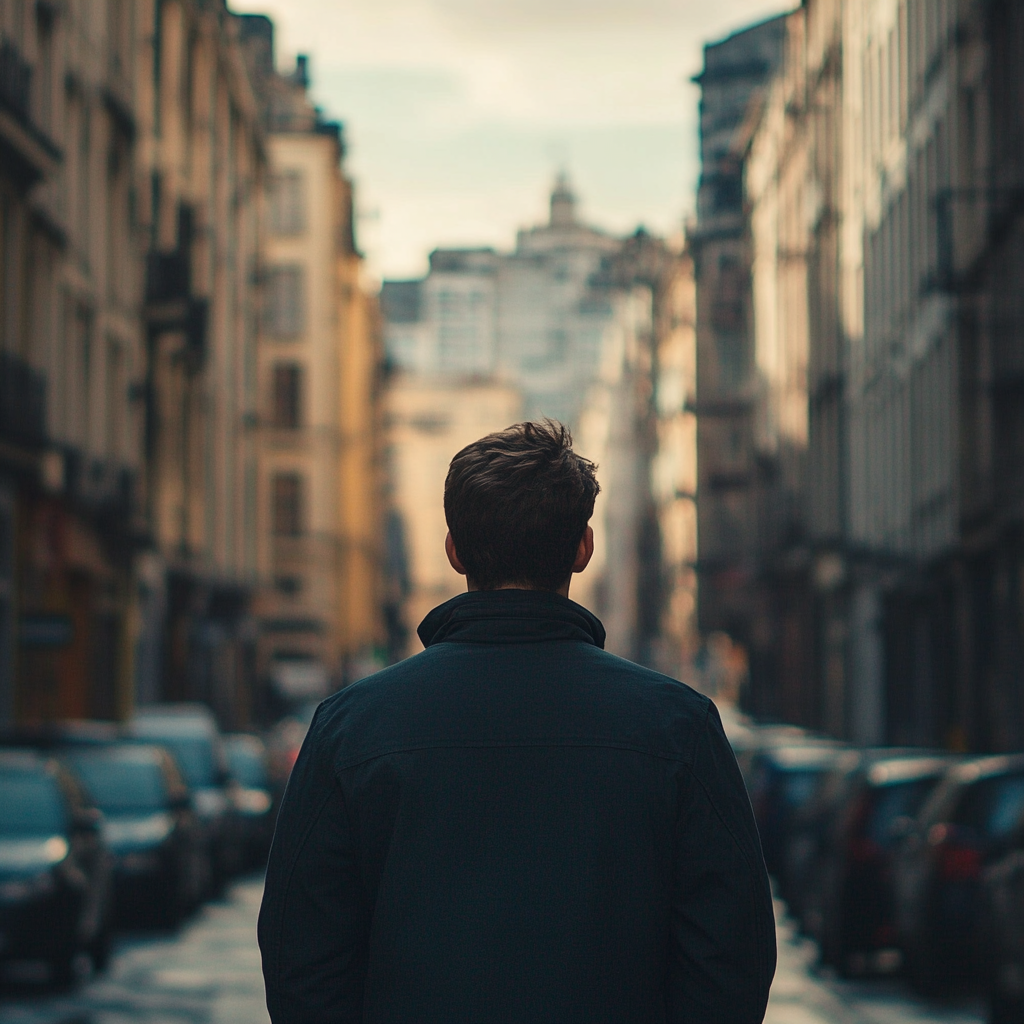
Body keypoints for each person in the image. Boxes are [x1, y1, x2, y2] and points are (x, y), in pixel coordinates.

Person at [259, 420, 776, 1023]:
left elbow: (301, 960)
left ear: (453, 550)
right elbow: (732, 958)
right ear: (584, 548)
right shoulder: (679, 727)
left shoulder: (351, 728)